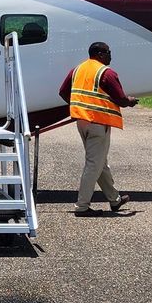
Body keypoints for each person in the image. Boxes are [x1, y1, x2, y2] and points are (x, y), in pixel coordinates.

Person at [58, 41, 136, 216]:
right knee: (94, 164)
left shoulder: (77, 70)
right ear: (100, 54)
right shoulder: (106, 73)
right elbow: (121, 99)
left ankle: (114, 199)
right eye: (108, 52)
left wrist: (79, 106)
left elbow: (63, 92)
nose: (110, 56)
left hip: (82, 122)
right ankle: (82, 206)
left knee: (100, 162)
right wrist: (130, 101)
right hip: (98, 124)